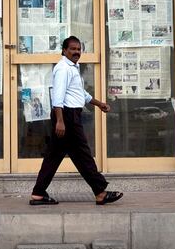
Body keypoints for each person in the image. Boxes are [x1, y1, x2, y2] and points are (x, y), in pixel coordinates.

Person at [30, 36, 124, 206]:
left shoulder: (73, 67)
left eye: (79, 49)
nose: (76, 52)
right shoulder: (63, 69)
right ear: (64, 50)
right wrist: (60, 121)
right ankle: (100, 192)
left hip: (69, 115)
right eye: (72, 49)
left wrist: (99, 104)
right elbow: (58, 96)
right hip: (67, 116)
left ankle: (38, 193)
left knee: (54, 156)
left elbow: (81, 93)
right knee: (83, 155)